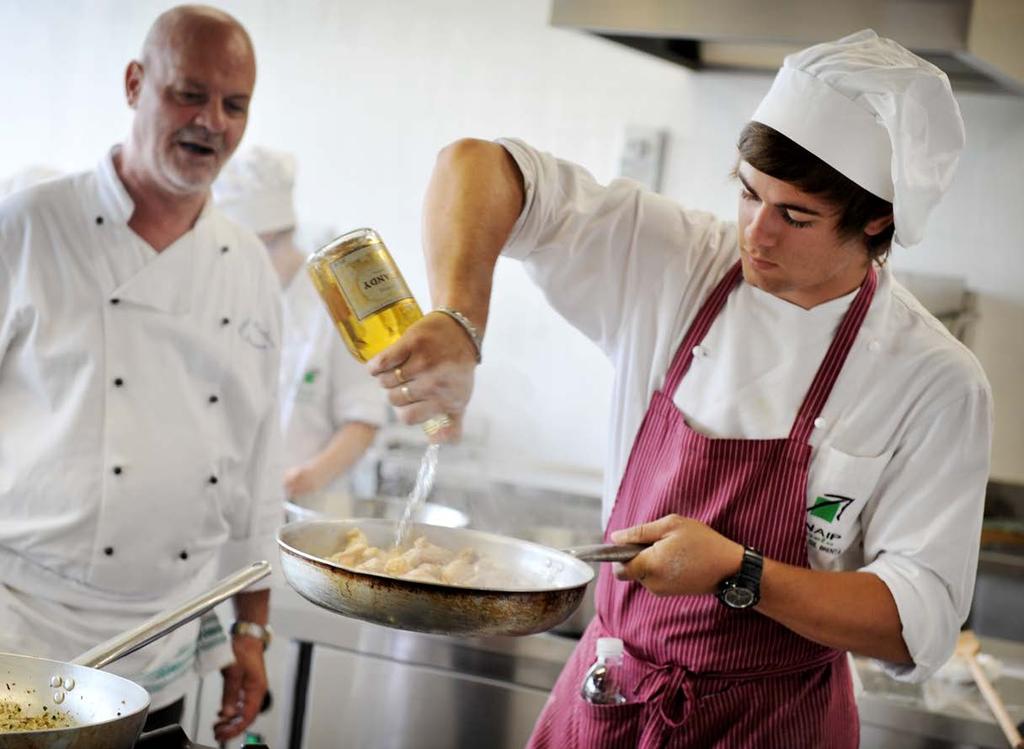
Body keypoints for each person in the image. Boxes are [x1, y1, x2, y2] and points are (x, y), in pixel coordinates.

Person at [366, 30, 993, 747]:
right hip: (611, 702)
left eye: (794, 216)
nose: (756, 233)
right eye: (748, 193)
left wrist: (740, 571)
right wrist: (459, 314)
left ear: (876, 220)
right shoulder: (681, 260)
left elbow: (918, 623)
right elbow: (477, 163)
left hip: (772, 724)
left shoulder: (931, 380)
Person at [0, 6, 283, 742]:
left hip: (164, 642)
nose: (211, 121)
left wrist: (252, 632)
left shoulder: (248, 264)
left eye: (234, 104)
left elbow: (257, 464)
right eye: (189, 94)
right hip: (22, 633)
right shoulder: (26, 230)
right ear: (135, 84)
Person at [213, 146, 386, 502]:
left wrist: (303, 479)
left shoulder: (339, 301)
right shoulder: (225, 298)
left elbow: (363, 418)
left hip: (312, 506)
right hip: (230, 501)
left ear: (264, 239)